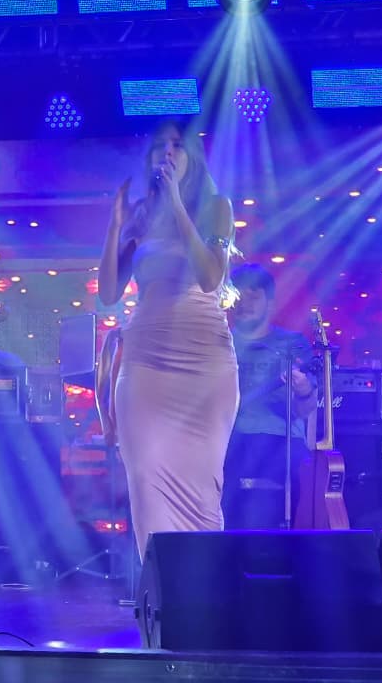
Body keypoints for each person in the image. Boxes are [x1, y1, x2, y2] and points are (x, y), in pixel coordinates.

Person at [97, 120, 239, 561]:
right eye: (161, 145)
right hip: (145, 362)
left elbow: (210, 276)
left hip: (204, 362)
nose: (169, 152)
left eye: (178, 145)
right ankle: (160, 589)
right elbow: (108, 292)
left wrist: (176, 202)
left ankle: (204, 586)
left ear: (193, 156)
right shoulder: (141, 214)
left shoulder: (217, 207)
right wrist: (116, 226)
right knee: (145, 477)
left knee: (202, 487)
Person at [223, 264, 318, 529]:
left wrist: (303, 389)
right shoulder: (218, 343)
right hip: (225, 441)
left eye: (253, 296)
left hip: (277, 441)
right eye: (239, 296)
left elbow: (305, 409)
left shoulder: (291, 345)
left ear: (270, 302)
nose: (244, 303)